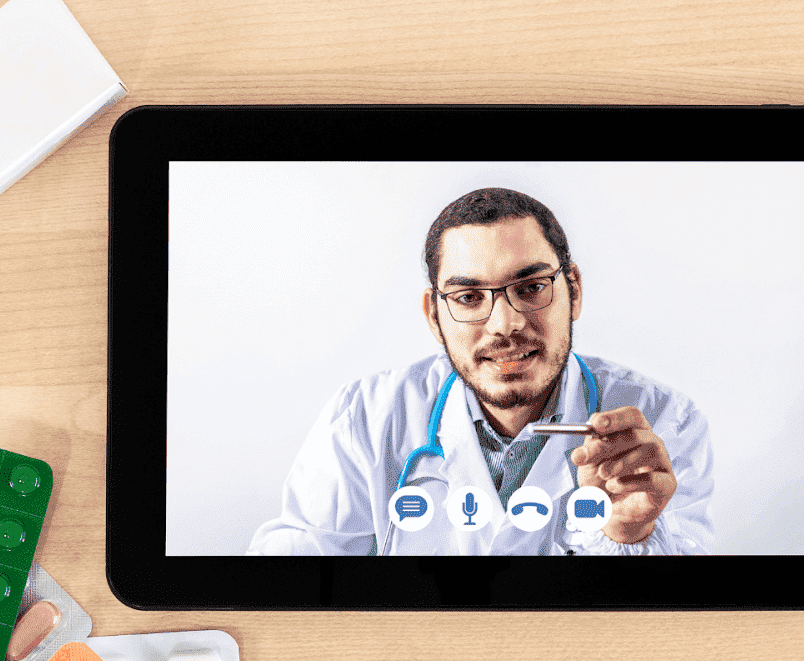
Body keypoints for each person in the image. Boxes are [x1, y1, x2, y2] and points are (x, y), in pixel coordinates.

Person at [247, 187, 713, 555]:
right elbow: (289, 588)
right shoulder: (365, 420)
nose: (506, 324)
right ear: (434, 315)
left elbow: (676, 631)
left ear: (574, 289)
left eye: (531, 287)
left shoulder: (664, 423)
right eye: (470, 297)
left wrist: (630, 536)